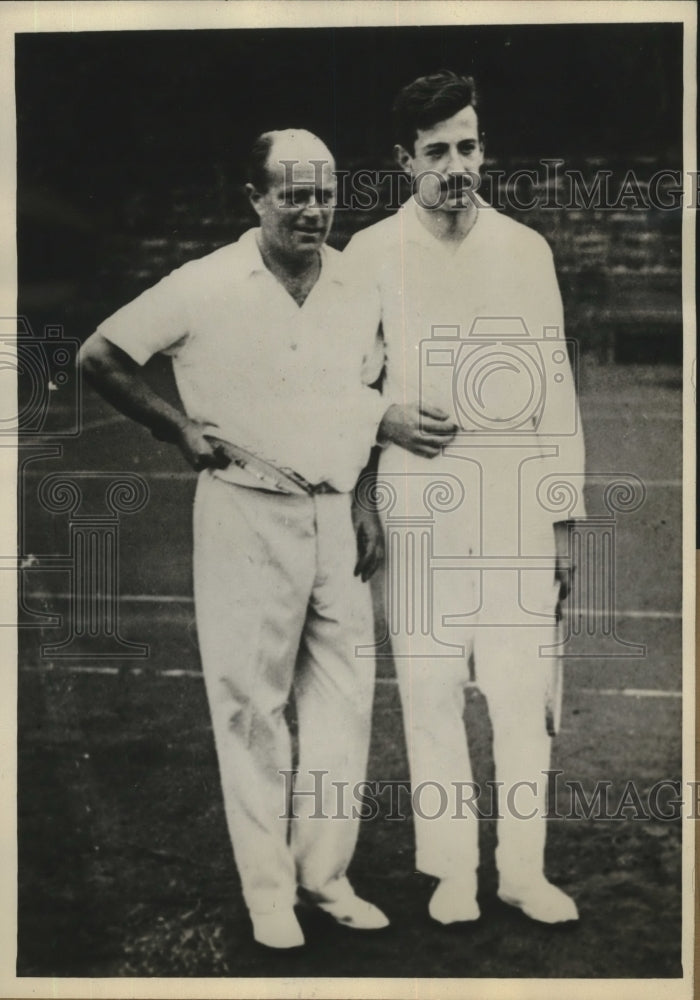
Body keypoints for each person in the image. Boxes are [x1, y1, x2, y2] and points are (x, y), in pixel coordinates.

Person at [78, 129, 391, 950]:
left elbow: (373, 391)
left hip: (337, 519)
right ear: (254, 198)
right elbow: (99, 355)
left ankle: (325, 877)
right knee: (252, 708)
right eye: (292, 194)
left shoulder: (359, 283)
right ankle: (269, 895)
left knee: (344, 703)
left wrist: (363, 499)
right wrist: (174, 427)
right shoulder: (204, 283)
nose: (312, 210)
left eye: (324, 193)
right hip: (245, 512)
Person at [346, 71, 586, 925]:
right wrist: (375, 454)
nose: (457, 165)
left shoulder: (527, 250)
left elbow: (556, 389)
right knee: (430, 685)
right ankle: (450, 871)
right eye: (438, 150)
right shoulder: (369, 255)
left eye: (469, 146)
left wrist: (563, 526)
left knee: (523, 691)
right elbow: (347, 383)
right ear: (403, 159)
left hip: (516, 498)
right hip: (417, 501)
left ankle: (523, 869)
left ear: (485, 150)